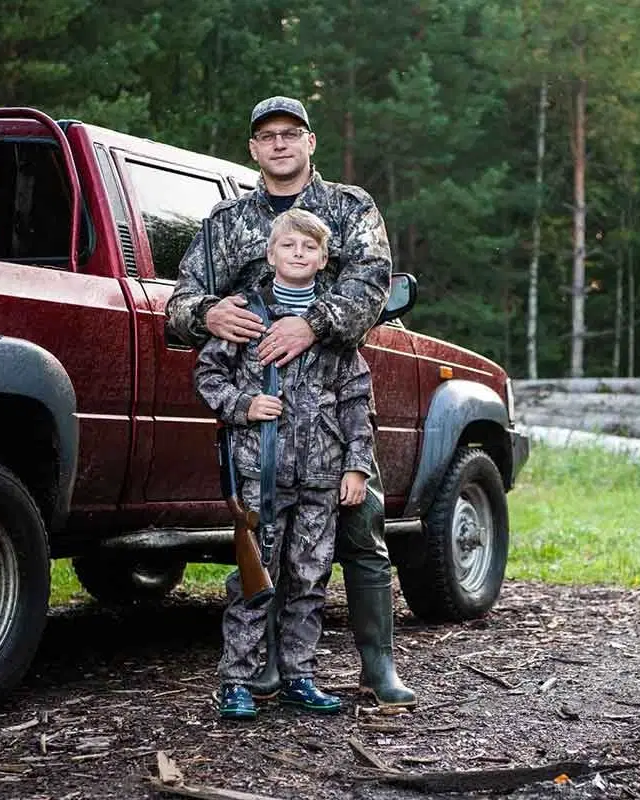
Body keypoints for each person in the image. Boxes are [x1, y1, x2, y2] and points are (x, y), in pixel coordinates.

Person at [168, 95, 416, 709]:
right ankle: (264, 671)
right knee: (266, 542)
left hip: (332, 401)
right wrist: (209, 312)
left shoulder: (349, 208)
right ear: (254, 149)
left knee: (358, 526)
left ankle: (377, 666)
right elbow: (179, 306)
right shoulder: (225, 222)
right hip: (263, 419)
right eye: (267, 136)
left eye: (291, 133)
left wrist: (313, 324)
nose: (279, 144)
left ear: (310, 142)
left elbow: (371, 287)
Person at [196, 208, 373, 719]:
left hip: (322, 477)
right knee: (254, 582)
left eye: (310, 248)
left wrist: (356, 466)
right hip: (262, 475)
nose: (298, 254)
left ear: (323, 260)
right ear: (270, 254)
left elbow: (357, 397)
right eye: (288, 246)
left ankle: (299, 676)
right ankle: (237, 681)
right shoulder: (245, 315)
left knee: (310, 581)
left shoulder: (333, 325)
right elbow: (208, 377)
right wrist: (244, 406)